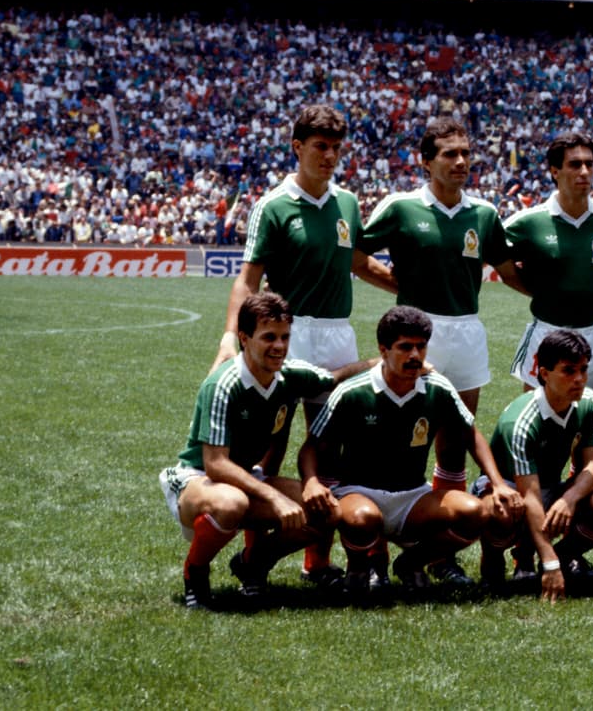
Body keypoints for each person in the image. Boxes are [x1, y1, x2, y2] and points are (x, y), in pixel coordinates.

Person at [210, 104, 396, 588]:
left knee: (331, 448)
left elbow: (359, 263)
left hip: (337, 334)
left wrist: (412, 290)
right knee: (267, 450)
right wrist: (230, 337)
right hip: (285, 337)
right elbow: (248, 279)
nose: (329, 156)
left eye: (336, 148)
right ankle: (254, 559)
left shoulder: (348, 203)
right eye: (320, 146)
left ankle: (317, 562)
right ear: (298, 147)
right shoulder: (274, 205)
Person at [359, 116, 527, 579]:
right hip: (417, 334)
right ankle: (374, 554)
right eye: (450, 154)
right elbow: (356, 255)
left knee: (455, 443)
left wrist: (562, 295)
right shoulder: (401, 208)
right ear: (426, 161)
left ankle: (439, 555)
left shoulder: (484, 214)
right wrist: (397, 286)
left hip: (466, 331)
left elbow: (509, 271)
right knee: (396, 441)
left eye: (466, 153)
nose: (460, 161)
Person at [158, 292, 375, 609]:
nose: (279, 346)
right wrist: (275, 497)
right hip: (198, 478)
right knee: (232, 503)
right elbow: (215, 464)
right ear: (244, 338)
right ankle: (196, 572)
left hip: (246, 477)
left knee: (327, 511)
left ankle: (252, 563)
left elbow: (332, 378)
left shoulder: (290, 375)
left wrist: (384, 362)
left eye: (285, 337)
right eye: (269, 337)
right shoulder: (223, 384)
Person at [298, 306, 523, 599]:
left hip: (413, 496)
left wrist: (498, 482)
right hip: (359, 494)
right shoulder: (352, 392)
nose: (415, 355)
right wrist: (311, 482)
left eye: (421, 346)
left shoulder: (437, 388)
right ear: (383, 350)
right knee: (361, 518)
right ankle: (358, 568)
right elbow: (312, 446)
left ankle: (412, 563)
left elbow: (470, 435)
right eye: (405, 347)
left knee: (475, 512)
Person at [473, 330, 593, 601]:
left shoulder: (588, 403)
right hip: (509, 490)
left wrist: (569, 499)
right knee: (500, 512)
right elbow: (529, 495)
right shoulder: (521, 422)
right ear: (544, 374)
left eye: (583, 369)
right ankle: (493, 561)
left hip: (549, 487)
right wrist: (548, 561)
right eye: (568, 371)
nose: (579, 379)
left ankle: (560, 558)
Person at [504, 131, 593, 394]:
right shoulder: (528, 222)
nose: (584, 171)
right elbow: (497, 262)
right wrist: (537, 291)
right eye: (575, 164)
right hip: (550, 333)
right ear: (555, 171)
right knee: (539, 413)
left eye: (589, 163)